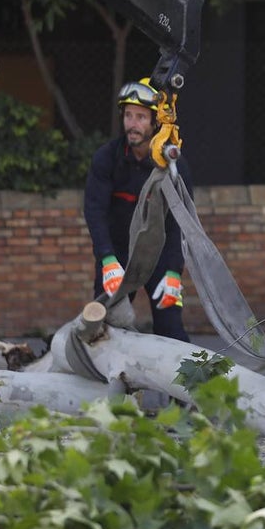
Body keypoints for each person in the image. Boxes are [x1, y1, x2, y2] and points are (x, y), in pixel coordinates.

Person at [84, 78, 191, 342]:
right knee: (107, 326)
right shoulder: (107, 158)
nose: (132, 123)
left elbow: (181, 222)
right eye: (128, 115)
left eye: (141, 117)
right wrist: (107, 259)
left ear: (156, 122)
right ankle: (112, 383)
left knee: (171, 328)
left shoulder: (173, 164)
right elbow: (94, 211)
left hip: (160, 254)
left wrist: (175, 272)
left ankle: (195, 382)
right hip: (118, 255)